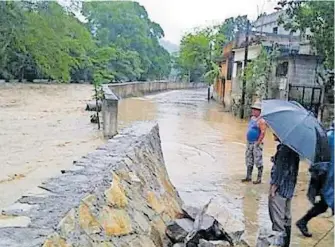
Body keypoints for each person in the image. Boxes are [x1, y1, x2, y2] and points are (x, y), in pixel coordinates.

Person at [296, 122, 334, 237]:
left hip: (328, 178)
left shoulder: (327, 136)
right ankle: (302, 222)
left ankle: (302, 222)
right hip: (327, 178)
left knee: (323, 205)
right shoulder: (330, 137)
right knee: (324, 203)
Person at [269, 134, 300, 247]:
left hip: (280, 190)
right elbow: (291, 168)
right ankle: (286, 244)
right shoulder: (294, 147)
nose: (273, 133)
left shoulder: (283, 149)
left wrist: (274, 187)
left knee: (278, 222)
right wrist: (275, 159)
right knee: (287, 218)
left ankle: (279, 244)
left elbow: (281, 171)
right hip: (289, 188)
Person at [242, 101, 267, 184]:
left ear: (260, 111)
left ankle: (259, 179)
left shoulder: (262, 121)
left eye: (255, 109)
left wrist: (258, 143)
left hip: (256, 143)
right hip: (249, 142)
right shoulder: (252, 118)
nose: (253, 111)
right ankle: (248, 176)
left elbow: (263, 132)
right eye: (253, 109)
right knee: (249, 159)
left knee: (258, 160)